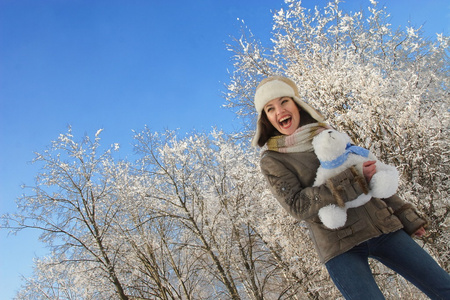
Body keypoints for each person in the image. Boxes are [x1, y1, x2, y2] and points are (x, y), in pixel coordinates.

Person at [253, 75, 450, 299]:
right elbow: (298, 205)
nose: (279, 111)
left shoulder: (327, 133)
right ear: (267, 119)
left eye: (284, 102)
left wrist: (406, 215)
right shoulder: (273, 159)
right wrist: (354, 180)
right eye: (270, 108)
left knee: (444, 288)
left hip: (382, 225)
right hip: (340, 245)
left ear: (297, 104)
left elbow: (370, 172)